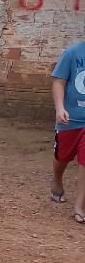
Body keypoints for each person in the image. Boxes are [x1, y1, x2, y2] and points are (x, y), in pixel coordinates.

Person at [50, 40, 85, 224]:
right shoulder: (71, 53)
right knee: (62, 156)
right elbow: (59, 82)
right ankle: (57, 179)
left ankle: (80, 207)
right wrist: (59, 108)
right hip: (70, 119)